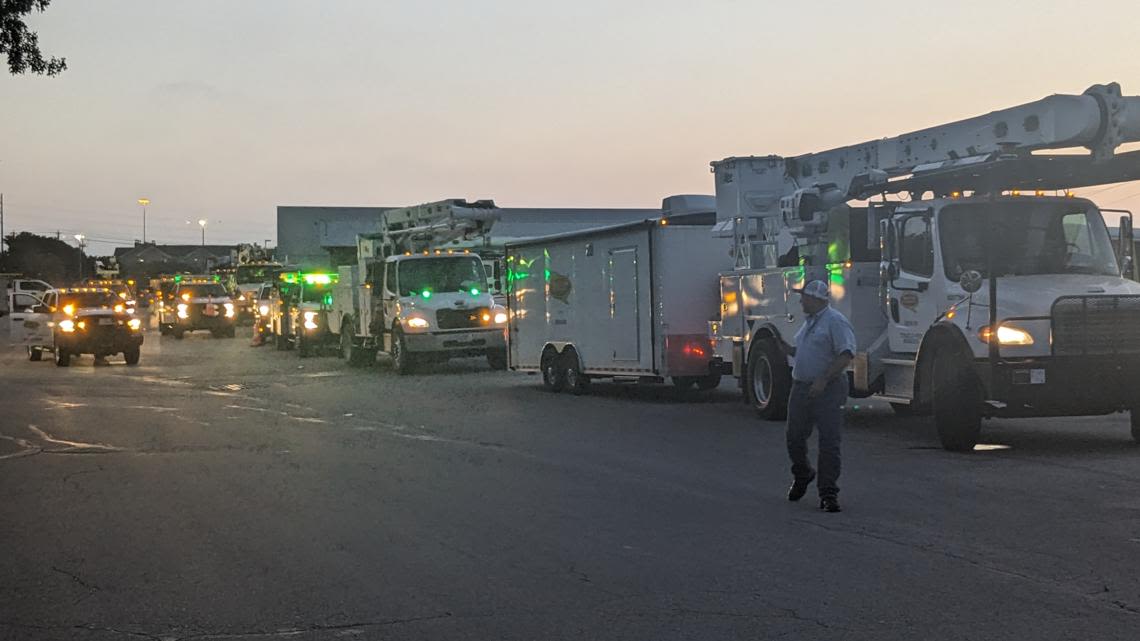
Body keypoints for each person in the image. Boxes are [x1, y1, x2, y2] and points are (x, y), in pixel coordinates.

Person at [780, 280, 856, 513]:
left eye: (804, 296)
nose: (801, 300)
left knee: (829, 441)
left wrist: (823, 380)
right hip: (801, 387)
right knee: (794, 436)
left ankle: (828, 493)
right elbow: (807, 352)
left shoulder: (835, 322)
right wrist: (787, 349)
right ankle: (803, 473)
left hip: (829, 389)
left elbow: (846, 354)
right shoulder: (809, 324)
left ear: (816, 299)